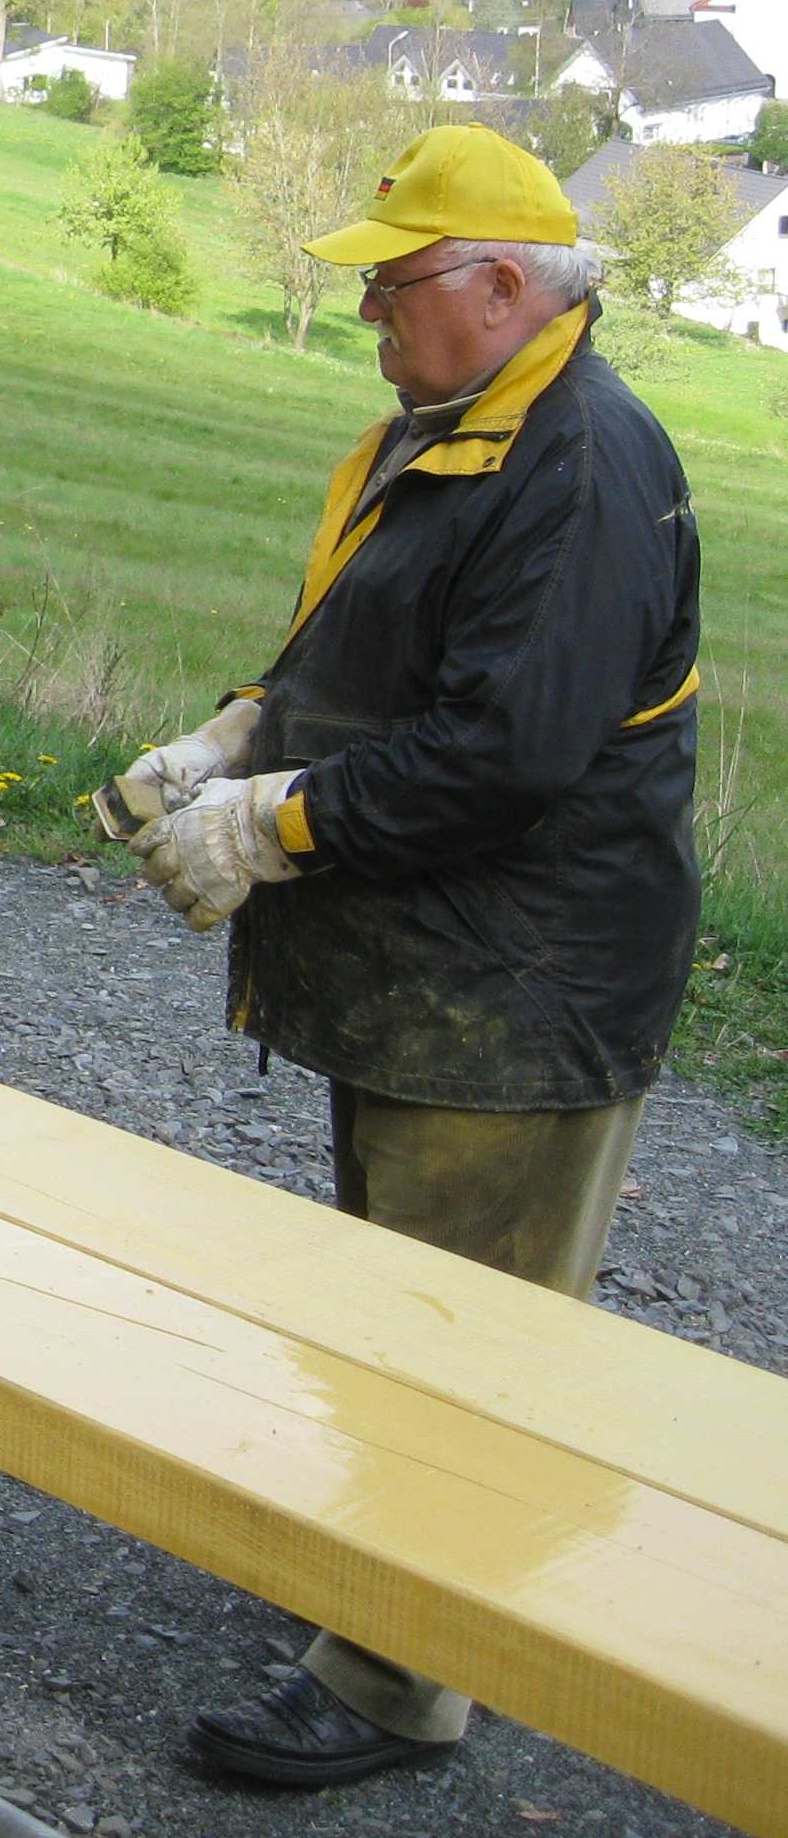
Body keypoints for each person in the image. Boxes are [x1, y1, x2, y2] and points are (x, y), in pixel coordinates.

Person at [117, 126, 699, 1792]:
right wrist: (243, 729)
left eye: (394, 285)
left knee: (467, 1342)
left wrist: (267, 823)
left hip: (517, 981)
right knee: (399, 1301)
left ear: (500, 285)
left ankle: (393, 1683)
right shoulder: (464, 428)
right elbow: (388, 644)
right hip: (438, 970)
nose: (371, 315)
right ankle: (385, 1580)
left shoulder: (576, 469)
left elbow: (500, 752)